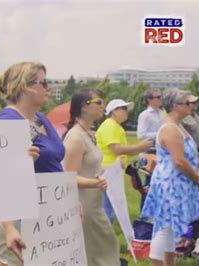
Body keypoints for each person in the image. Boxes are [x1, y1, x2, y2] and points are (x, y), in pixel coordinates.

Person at [0, 62, 63, 266]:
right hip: (19, 218)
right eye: (44, 82)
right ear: (25, 87)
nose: (49, 88)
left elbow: (54, 164)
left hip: (46, 213)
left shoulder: (40, 118)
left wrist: (69, 199)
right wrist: (10, 228)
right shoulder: (8, 121)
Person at [141, 89, 199, 266]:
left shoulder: (178, 126)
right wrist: (196, 177)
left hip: (177, 182)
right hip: (170, 183)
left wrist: (196, 173)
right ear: (175, 106)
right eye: (188, 103)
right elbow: (179, 161)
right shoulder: (170, 129)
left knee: (170, 228)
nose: (192, 106)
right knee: (163, 228)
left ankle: (169, 264)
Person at [63, 89, 120, 266]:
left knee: (106, 249)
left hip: (95, 205)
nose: (103, 106)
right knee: (99, 252)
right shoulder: (75, 138)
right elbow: (68, 177)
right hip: (83, 208)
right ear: (84, 107)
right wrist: (95, 183)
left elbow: (91, 166)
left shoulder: (89, 134)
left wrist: (111, 168)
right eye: (98, 102)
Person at [95, 99, 153, 222]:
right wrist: (139, 147)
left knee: (111, 208)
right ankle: (104, 237)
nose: (127, 112)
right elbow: (116, 149)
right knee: (108, 209)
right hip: (108, 171)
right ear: (114, 111)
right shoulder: (110, 126)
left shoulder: (115, 126)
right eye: (123, 109)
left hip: (112, 171)